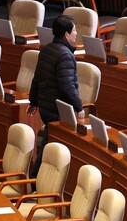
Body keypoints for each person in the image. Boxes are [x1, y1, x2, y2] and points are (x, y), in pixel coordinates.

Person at [27, 15, 84, 176]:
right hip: (57, 109)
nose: (76, 33)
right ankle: (35, 179)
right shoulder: (65, 55)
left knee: (49, 142)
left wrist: (34, 102)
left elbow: (37, 78)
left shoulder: (47, 49)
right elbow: (67, 86)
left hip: (45, 105)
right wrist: (79, 106)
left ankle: (37, 178)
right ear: (66, 34)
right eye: (74, 30)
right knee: (50, 145)